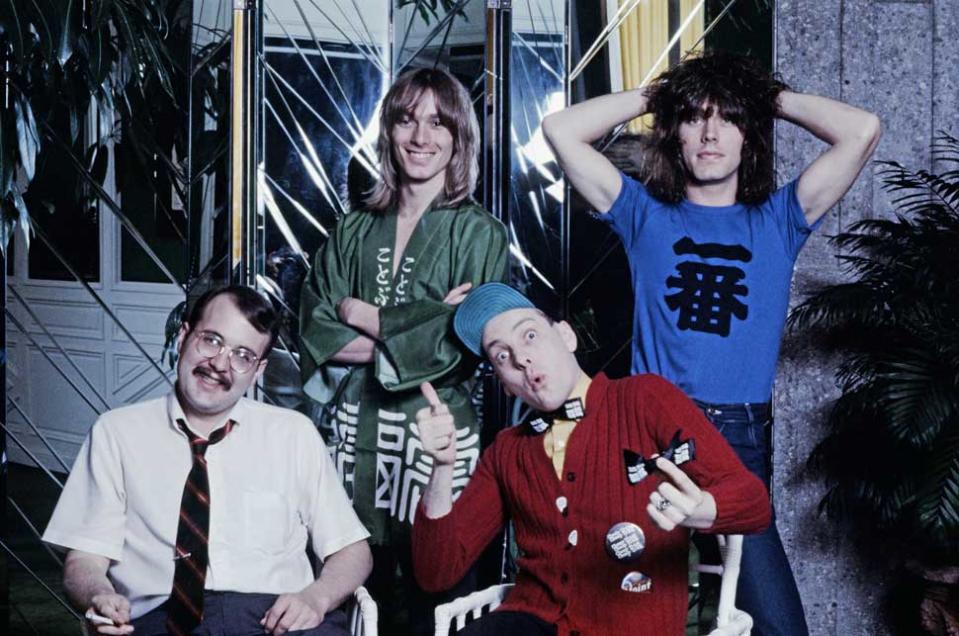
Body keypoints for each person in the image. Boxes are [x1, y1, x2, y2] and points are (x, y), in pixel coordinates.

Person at [540, 51, 882, 635]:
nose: (710, 131)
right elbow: (560, 129)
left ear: (748, 136)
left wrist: (759, 96)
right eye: (695, 117)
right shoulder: (642, 215)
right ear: (675, 133)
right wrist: (663, 94)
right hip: (646, 434)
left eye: (727, 118)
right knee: (626, 614)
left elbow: (863, 130)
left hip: (735, 438)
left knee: (777, 624)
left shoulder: (779, 220)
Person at [410, 282, 772, 635]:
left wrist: (700, 509)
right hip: (529, 619)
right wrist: (442, 469)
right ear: (504, 382)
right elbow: (436, 573)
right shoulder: (508, 450)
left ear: (567, 336)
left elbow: (754, 503)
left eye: (530, 335)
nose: (521, 358)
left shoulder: (644, 398)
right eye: (501, 356)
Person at [298, 67, 509, 634]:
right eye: (406, 119)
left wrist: (361, 313)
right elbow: (313, 324)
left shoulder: (480, 233)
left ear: (460, 137)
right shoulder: (353, 227)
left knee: (436, 586)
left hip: (435, 437)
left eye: (439, 122)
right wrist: (418, 323)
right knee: (350, 583)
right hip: (355, 433)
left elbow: (462, 342)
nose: (421, 136)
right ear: (388, 131)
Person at [43, 286, 372, 636]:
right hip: (159, 619)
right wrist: (100, 595)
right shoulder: (116, 432)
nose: (219, 364)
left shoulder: (294, 434)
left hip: (277, 620)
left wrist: (316, 598)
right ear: (184, 336)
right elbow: (84, 560)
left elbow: (353, 551)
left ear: (258, 370)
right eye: (211, 340)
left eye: (242, 355)